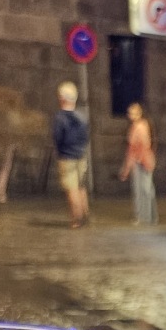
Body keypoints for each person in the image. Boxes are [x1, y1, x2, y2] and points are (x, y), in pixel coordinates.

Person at [52, 82, 90, 228]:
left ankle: (76, 219)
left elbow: (57, 137)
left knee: (71, 188)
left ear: (62, 98)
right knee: (81, 186)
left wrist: (61, 150)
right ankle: (85, 215)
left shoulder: (60, 117)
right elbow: (86, 136)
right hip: (81, 155)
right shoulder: (82, 116)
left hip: (67, 156)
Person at [119, 103, 157, 225]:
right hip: (143, 160)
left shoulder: (139, 127)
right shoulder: (142, 126)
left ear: (140, 113)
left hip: (141, 161)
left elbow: (138, 147)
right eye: (130, 113)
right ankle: (148, 216)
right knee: (145, 189)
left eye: (133, 113)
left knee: (143, 190)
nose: (131, 116)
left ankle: (145, 217)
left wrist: (127, 167)